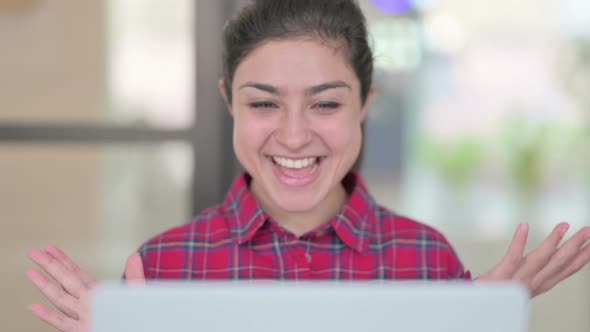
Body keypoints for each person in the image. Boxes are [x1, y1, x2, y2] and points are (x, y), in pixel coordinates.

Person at [26, 0, 590, 331]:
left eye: (326, 103)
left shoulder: (428, 261)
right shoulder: (160, 269)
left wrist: (471, 324)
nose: (294, 135)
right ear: (229, 101)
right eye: (263, 102)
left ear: (366, 103)